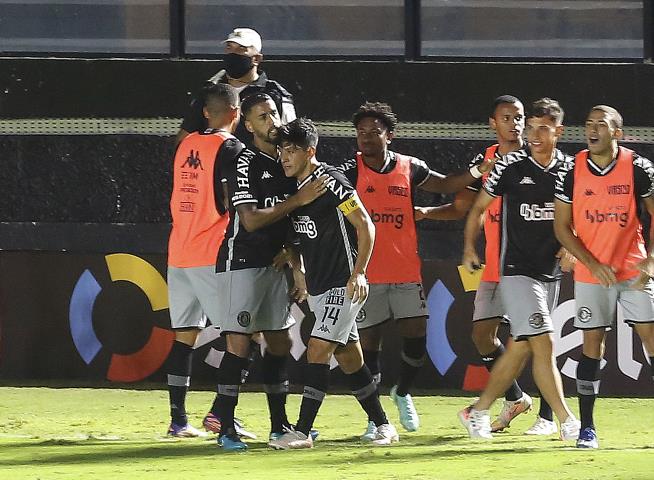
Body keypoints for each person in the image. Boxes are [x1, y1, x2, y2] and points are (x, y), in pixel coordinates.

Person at [337, 101, 493, 439]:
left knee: (417, 342)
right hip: (367, 274)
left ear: (389, 136)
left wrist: (479, 171)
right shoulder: (350, 171)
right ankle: (374, 418)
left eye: (373, 132)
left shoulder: (409, 167)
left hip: (406, 270)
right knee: (369, 346)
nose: (365, 137)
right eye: (360, 132)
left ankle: (403, 391)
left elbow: (448, 185)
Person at [416, 95, 552, 435]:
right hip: (496, 263)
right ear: (493, 123)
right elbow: (465, 205)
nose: (515, 123)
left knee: (538, 339)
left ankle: (550, 418)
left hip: (533, 262)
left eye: (519, 117)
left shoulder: (537, 156)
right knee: (481, 335)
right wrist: (432, 217)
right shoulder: (487, 160)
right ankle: (516, 397)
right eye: (506, 117)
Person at [269, 118, 399, 449]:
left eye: (291, 150)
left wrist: (359, 272)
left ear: (310, 151)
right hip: (319, 287)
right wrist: (298, 270)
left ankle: (302, 432)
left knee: (317, 348)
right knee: (350, 358)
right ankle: (384, 425)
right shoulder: (297, 190)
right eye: (281, 150)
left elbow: (366, 225)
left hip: (344, 284)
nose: (284, 157)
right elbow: (300, 240)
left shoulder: (329, 181)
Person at [458, 98, 580, 440]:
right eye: (531, 128)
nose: (534, 135)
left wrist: (575, 249)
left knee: (525, 344)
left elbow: (581, 213)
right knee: (543, 341)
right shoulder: (509, 165)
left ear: (559, 131)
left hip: (549, 272)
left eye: (543, 128)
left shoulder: (570, 169)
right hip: (514, 270)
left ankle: (477, 411)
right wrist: (469, 247)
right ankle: (567, 420)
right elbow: (477, 207)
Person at [209, 96, 326, 452]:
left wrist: (295, 261)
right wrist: (297, 200)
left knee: (281, 343)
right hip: (241, 261)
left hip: (274, 267)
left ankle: (278, 426)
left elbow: (292, 224)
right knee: (239, 344)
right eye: (262, 116)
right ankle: (225, 429)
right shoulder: (243, 161)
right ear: (247, 124)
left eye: (274, 113)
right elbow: (250, 219)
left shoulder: (284, 162)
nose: (271, 120)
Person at [553, 105, 654, 449]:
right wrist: (591, 263)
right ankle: (588, 428)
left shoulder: (638, 167)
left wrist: (652, 259)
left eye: (601, 125)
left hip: (633, 268)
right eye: (589, 124)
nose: (593, 130)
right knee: (592, 346)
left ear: (617, 133)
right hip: (591, 272)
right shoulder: (571, 170)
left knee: (651, 337)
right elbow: (561, 228)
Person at [164, 83, 242, 437]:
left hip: (178, 252)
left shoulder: (184, 144)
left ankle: (178, 421)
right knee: (243, 335)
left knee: (184, 335)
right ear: (236, 114)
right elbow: (233, 198)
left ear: (207, 113)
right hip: (210, 253)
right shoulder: (230, 148)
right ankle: (221, 413)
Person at [176, 27, 296, 145]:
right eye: (229, 48)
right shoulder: (209, 91)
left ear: (257, 59)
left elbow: (292, 140)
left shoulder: (275, 95)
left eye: (241, 49)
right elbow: (184, 138)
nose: (233, 54)